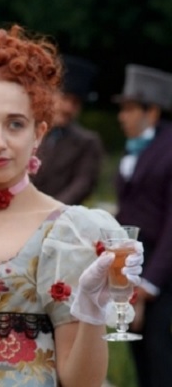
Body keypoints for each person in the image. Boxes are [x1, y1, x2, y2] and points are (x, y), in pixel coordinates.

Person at [0, 26, 144, 386]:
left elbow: (82, 382)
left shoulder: (66, 233)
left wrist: (91, 310)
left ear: (38, 133)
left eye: (15, 124)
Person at [112, 64, 172, 387]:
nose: (122, 117)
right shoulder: (135, 147)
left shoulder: (168, 149)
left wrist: (149, 284)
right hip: (135, 266)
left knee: (160, 355)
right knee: (139, 352)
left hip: (163, 273)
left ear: (152, 111)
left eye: (129, 109)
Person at [32, 55, 105, 205]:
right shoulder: (28, 132)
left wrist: (50, 211)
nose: (68, 108)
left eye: (75, 103)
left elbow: (82, 185)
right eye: (64, 98)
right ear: (50, 95)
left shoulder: (87, 143)